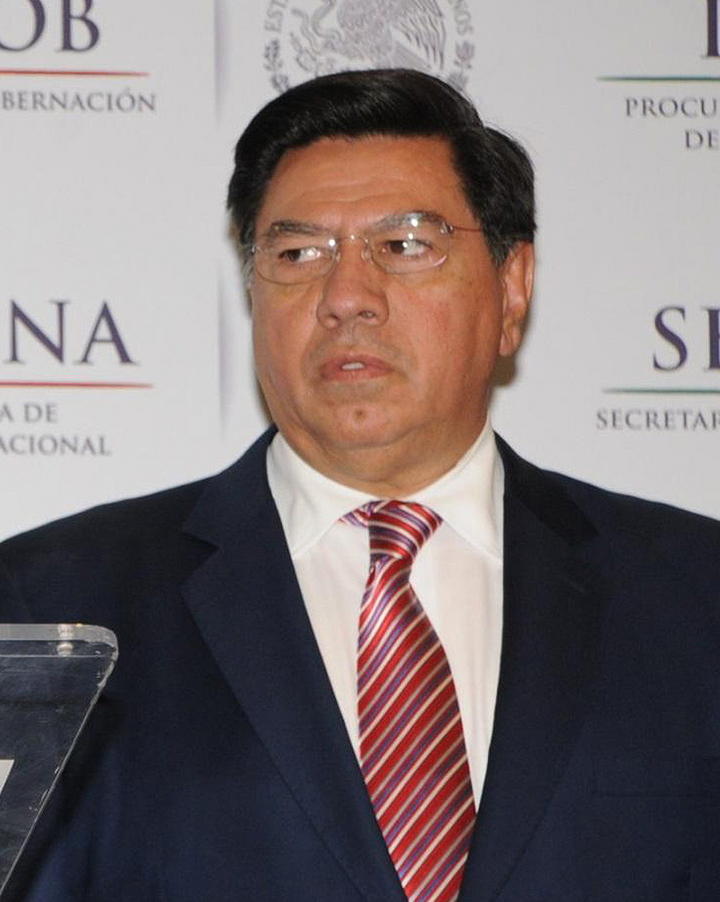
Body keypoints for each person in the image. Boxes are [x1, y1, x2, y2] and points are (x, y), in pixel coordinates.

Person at [1, 68, 719, 902]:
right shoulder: (51, 605)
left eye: (405, 245)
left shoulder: (693, 595)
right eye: (297, 253)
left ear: (512, 286)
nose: (347, 298)